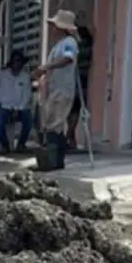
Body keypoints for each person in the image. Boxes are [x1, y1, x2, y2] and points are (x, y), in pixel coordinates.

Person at [32, 9, 80, 170]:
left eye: (54, 26)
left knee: (56, 125)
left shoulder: (69, 42)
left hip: (62, 90)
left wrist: (46, 67)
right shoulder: (58, 45)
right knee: (50, 124)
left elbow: (68, 58)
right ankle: (53, 161)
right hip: (54, 90)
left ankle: (55, 162)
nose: (52, 29)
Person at [0, 50, 33, 153]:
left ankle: (21, 144)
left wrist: (17, 109)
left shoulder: (25, 77)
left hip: (19, 107)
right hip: (3, 106)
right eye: (16, 61)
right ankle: (5, 146)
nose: (18, 64)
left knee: (29, 119)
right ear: (11, 63)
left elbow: (27, 95)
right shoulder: (1, 75)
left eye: (20, 62)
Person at [66, 25, 93, 150]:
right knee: (72, 111)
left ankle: (69, 136)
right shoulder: (76, 46)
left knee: (74, 110)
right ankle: (70, 136)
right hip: (74, 81)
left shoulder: (83, 47)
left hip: (80, 81)